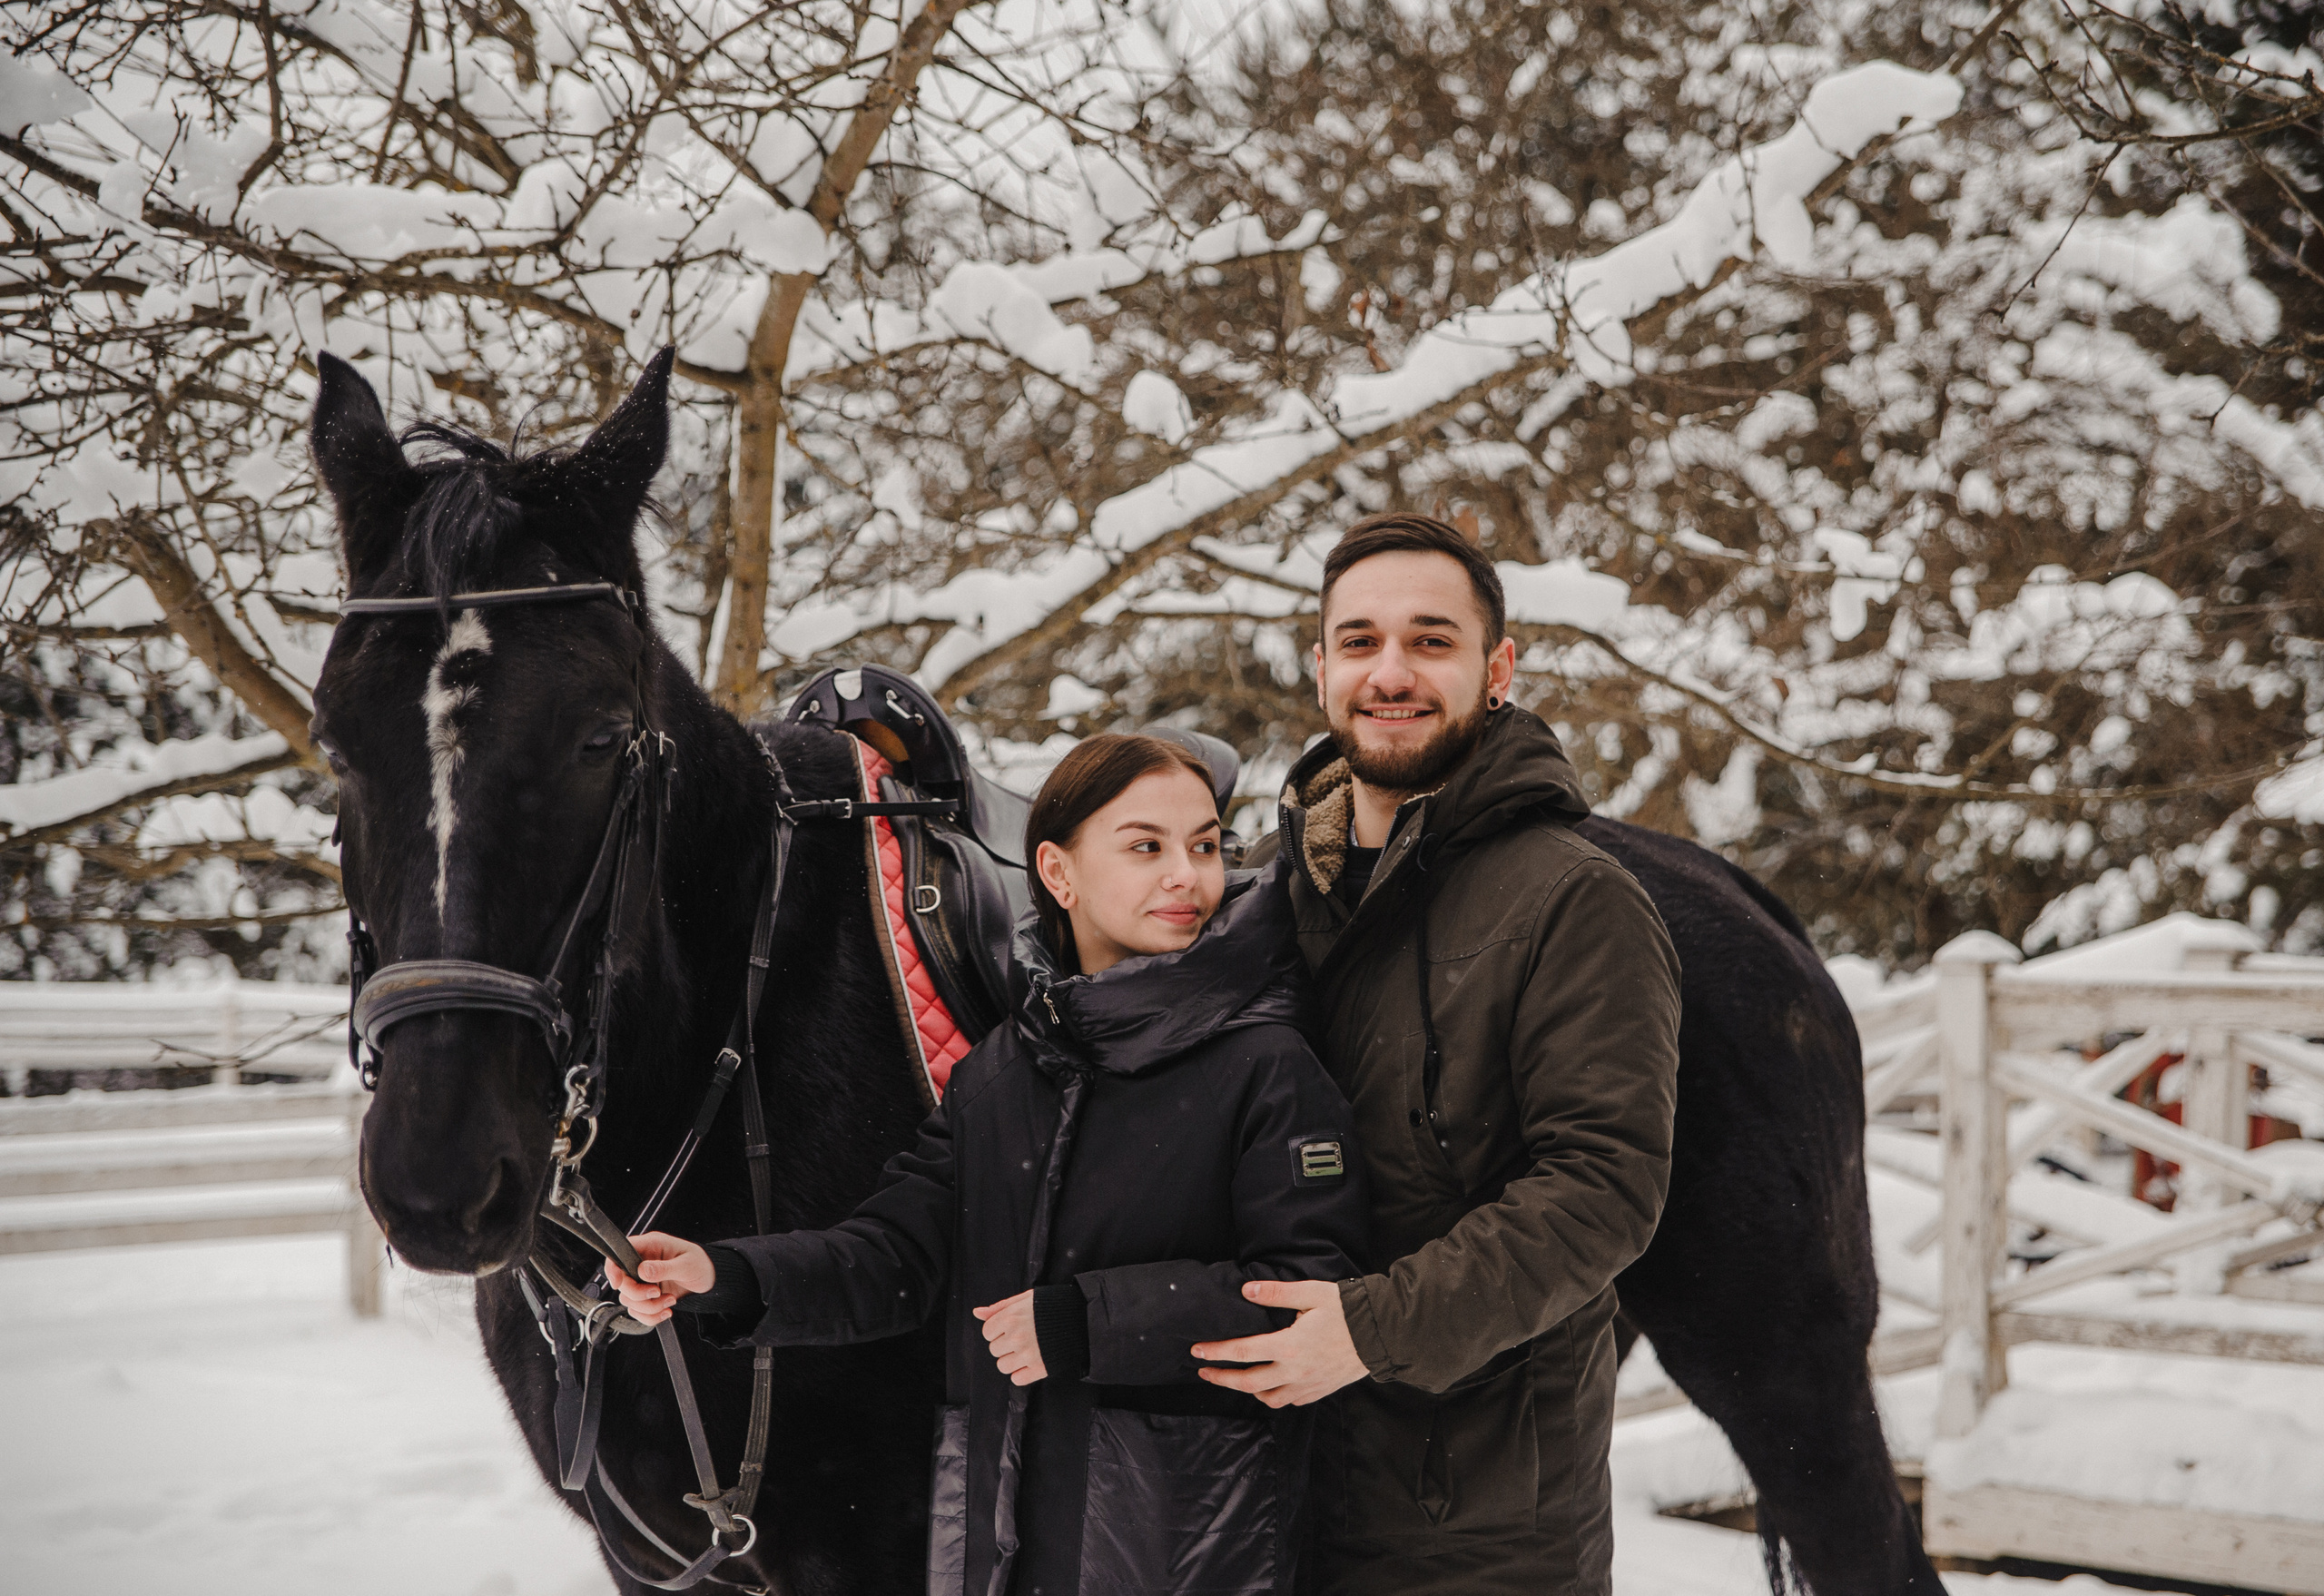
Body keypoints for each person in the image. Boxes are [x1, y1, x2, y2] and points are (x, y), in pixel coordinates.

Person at [605, 733, 1368, 1596]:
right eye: (1146, 847)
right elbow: (893, 1259)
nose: (1186, 876)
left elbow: (1314, 1303)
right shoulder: (1001, 1074)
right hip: (1004, 1558)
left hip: (1187, 1552)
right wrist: (725, 1274)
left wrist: (1088, 1325)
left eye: (1202, 845)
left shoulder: (1266, 1065)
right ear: (1058, 871)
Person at [1204, 514, 1683, 1595]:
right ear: (1320, 667)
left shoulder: (1576, 898)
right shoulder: (1259, 899)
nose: (1392, 672)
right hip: (1261, 1497)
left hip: (1474, 1519)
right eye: (1360, 641)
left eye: (1430, 641)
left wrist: (1368, 1330)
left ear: (1496, 668)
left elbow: (1602, 1187)